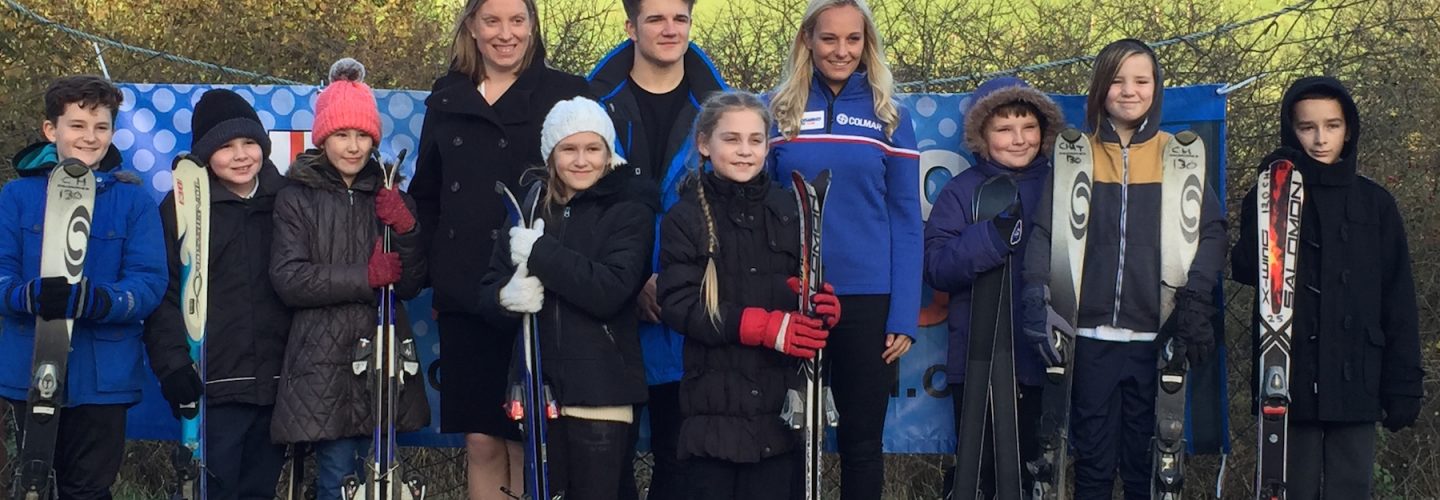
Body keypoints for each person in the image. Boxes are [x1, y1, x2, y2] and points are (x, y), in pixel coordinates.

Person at [1019, 39, 1226, 500]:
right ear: (1099, 88)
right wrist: (1036, 295)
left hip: (1157, 336)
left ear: (1156, 88)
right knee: (1091, 466)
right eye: (1117, 80)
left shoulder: (1179, 155)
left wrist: (1195, 299)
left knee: (1146, 468)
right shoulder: (1078, 156)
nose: (1129, 91)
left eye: (1141, 80)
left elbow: (1212, 232)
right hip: (1089, 336)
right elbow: (1044, 233)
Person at [409, 0, 588, 496]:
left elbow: (593, 187)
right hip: (466, 291)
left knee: (527, 438)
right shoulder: (446, 97)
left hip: (539, 289)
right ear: (472, 25)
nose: (505, 34)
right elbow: (427, 194)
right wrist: (418, 262)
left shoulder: (566, 95)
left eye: (517, 20)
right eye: (492, 20)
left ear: (532, 27)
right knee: (481, 440)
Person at [1231, 76, 1423, 499]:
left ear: (1348, 128)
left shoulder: (1376, 203)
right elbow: (1245, 269)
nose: (1320, 139)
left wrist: (1404, 382)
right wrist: (1267, 199)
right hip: (1288, 380)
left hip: (1357, 375)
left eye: (1332, 125)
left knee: (1351, 489)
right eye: (1307, 127)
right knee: (1287, 489)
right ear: (1290, 129)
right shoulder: (1269, 193)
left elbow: (1398, 298)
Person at [765, 1, 919, 497]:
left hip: (867, 300)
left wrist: (903, 314)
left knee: (861, 443)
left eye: (853, 39)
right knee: (785, 439)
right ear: (808, 39)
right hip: (792, 295)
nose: (841, 50)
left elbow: (906, 219)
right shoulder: (776, 110)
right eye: (829, 38)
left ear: (867, 44)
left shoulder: (890, 115)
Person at [658, 91, 841, 500]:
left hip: (780, 415)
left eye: (755, 140)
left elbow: (806, 287)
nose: (745, 151)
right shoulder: (686, 217)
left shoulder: (789, 209)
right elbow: (680, 304)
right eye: (732, 139)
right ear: (705, 144)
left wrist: (822, 307)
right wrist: (763, 326)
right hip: (712, 416)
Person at [0, 75, 172, 499]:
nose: (89, 137)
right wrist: (27, 295)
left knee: (88, 489)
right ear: (51, 129)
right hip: (31, 367)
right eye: (77, 125)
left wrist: (98, 299)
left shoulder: (133, 201)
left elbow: (149, 283)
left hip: (104, 377)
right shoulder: (17, 196)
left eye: (101, 127)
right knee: (33, 485)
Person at [477, 96, 656, 500]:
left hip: (602, 392)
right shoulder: (528, 207)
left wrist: (541, 254)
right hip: (540, 391)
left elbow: (610, 290)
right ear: (551, 155)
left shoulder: (629, 210)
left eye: (593, 149)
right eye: (569, 149)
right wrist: (508, 298)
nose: (581, 160)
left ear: (608, 153)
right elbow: (488, 292)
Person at [269, 58, 429, 499]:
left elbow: (412, 282)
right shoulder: (297, 197)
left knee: (382, 475)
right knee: (338, 477)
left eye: (363, 135)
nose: (353, 147)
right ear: (324, 138)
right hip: (324, 363)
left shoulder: (391, 193)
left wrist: (408, 230)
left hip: (385, 359)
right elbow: (289, 278)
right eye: (342, 135)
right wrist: (365, 277)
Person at [586, 0, 728, 496]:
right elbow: (574, 207)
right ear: (631, 26)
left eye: (680, 19)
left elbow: (733, 210)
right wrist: (629, 281)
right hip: (608, 313)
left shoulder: (723, 110)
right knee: (606, 468)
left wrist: (676, 280)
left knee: (681, 462)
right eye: (655, 19)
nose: (670, 30)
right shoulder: (590, 104)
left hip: (686, 312)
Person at [144, 88, 291, 499]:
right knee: (208, 489)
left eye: (249, 143)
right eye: (225, 147)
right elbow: (165, 295)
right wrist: (173, 365)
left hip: (279, 386)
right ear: (206, 155)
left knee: (259, 490)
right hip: (214, 385)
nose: (241, 155)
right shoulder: (180, 210)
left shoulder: (287, 202)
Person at [923, 76, 1064, 497]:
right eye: (1004, 129)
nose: (1019, 139)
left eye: (1028, 127)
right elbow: (937, 267)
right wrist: (991, 238)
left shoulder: (1065, 185)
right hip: (980, 358)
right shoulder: (961, 191)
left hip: (1046, 358)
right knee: (978, 470)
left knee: (1035, 468)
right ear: (982, 136)